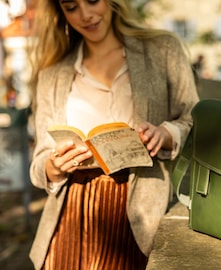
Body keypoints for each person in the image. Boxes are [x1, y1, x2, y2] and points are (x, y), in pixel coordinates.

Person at [28, 0, 199, 269]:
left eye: (93, 0)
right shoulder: (52, 74)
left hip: (139, 213)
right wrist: (53, 167)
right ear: (60, 11)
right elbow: (39, 161)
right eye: (71, 6)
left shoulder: (163, 49)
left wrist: (166, 133)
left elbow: (194, 118)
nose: (85, 15)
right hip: (70, 215)